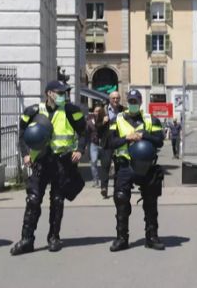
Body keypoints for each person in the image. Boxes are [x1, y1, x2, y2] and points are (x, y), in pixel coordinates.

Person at [11, 80, 87, 255]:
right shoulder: (33, 111)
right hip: (40, 161)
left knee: (57, 200)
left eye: (65, 93)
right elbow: (22, 134)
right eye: (59, 92)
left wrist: (80, 150)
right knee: (33, 199)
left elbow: (84, 132)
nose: (63, 96)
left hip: (62, 162)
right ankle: (26, 239)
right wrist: (25, 154)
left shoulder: (71, 111)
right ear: (49, 93)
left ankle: (54, 237)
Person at [106, 90, 165, 252]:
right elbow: (110, 142)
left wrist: (145, 135)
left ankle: (152, 237)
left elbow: (160, 141)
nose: (133, 104)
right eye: (130, 101)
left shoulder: (150, 119)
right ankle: (121, 238)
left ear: (140, 102)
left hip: (147, 165)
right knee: (121, 199)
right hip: (126, 165)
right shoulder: (116, 120)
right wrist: (127, 138)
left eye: (135, 101)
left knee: (151, 201)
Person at [99, 91, 124, 198]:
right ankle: (104, 188)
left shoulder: (123, 110)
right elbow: (97, 127)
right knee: (105, 166)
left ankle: (117, 188)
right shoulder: (102, 111)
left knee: (119, 166)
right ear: (110, 99)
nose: (115, 100)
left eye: (117, 98)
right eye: (113, 98)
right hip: (107, 143)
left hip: (119, 142)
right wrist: (103, 122)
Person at [86, 105, 105, 191]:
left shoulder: (105, 120)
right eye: (96, 111)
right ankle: (96, 181)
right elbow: (86, 134)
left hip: (104, 144)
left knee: (105, 163)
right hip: (94, 144)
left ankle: (104, 181)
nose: (97, 113)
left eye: (99, 111)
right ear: (93, 112)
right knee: (93, 162)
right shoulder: (89, 122)